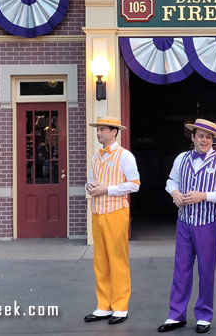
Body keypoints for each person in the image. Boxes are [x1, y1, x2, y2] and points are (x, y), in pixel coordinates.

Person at [157, 119, 216, 334]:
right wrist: (174, 193)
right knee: (180, 270)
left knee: (206, 270)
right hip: (184, 222)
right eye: (201, 136)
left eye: (209, 137)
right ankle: (176, 315)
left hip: (208, 223)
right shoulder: (181, 159)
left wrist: (205, 196)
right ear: (192, 137)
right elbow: (171, 181)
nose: (205, 140)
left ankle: (204, 315)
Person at [83, 116, 140, 325]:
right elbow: (90, 182)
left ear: (114, 132)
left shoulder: (125, 156)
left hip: (116, 212)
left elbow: (135, 184)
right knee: (100, 261)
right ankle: (103, 305)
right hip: (97, 213)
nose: (99, 133)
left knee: (117, 260)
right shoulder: (95, 158)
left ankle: (120, 306)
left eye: (103, 130)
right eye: (98, 130)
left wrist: (107, 189)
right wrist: (89, 187)